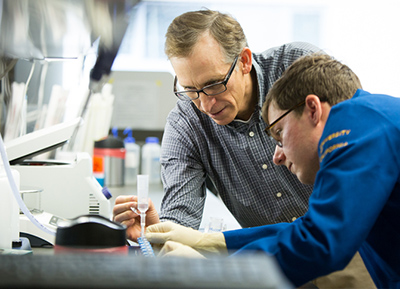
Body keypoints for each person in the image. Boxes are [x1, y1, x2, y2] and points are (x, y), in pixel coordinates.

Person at [113, 9, 374, 288]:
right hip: (280, 265)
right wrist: (156, 234)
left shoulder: (299, 71)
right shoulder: (187, 122)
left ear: (244, 61)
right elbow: (180, 226)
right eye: (190, 90)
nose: (205, 105)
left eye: (214, 85)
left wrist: (219, 267)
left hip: (358, 256)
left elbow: (330, 220)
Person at [144, 53, 400, 288]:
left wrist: (215, 270)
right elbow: (306, 229)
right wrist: (206, 242)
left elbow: (321, 243)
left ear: (312, 109)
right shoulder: (376, 119)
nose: (276, 156)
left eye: (279, 135)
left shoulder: (358, 121)